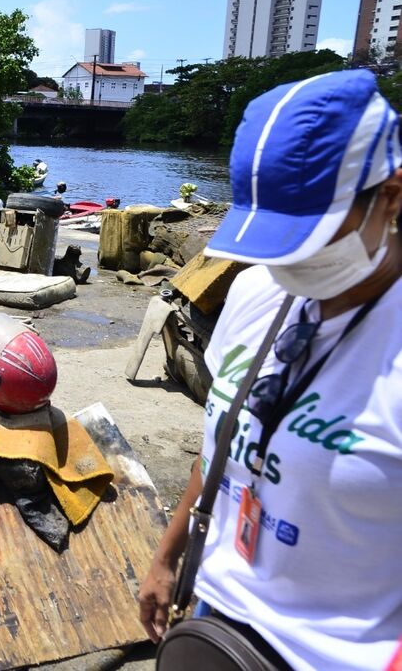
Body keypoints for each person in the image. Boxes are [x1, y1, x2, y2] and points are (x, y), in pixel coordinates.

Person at [137, 70, 402, 670]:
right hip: (215, 624)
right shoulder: (258, 293)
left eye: (308, 237)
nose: (289, 261)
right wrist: (170, 552)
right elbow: (224, 441)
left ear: (391, 195)